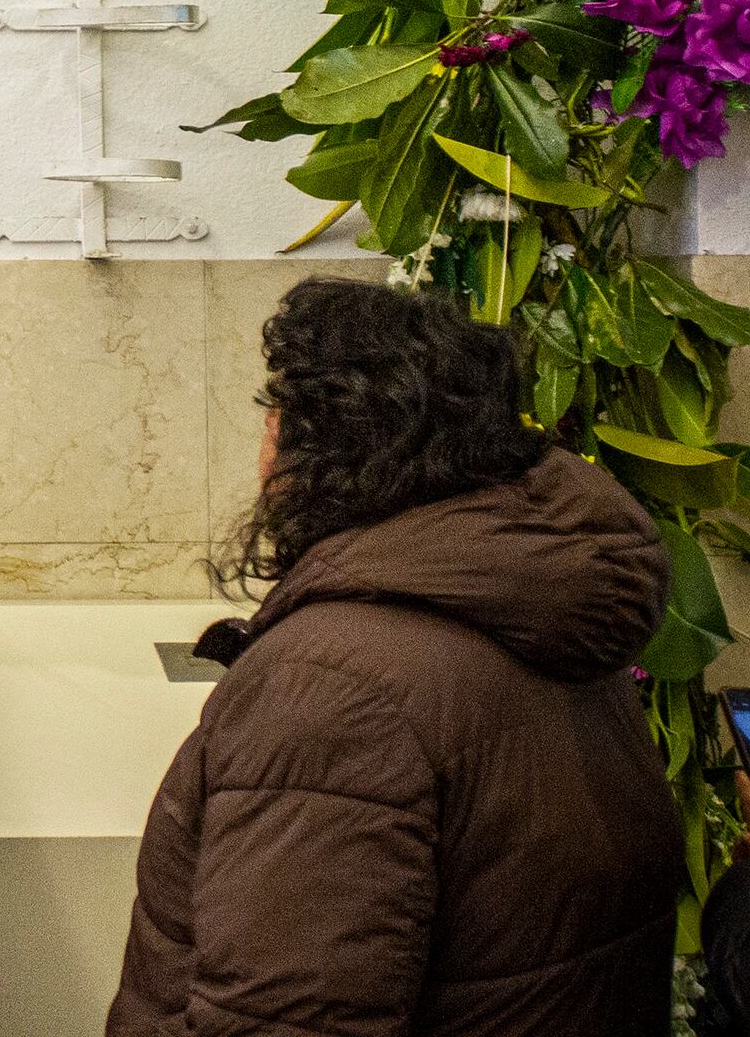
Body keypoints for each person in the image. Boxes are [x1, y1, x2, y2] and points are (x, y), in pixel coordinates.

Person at [108, 277, 680, 1036]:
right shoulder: (539, 609)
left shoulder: (332, 691)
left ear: (316, 446)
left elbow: (286, 1018)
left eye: (275, 417)